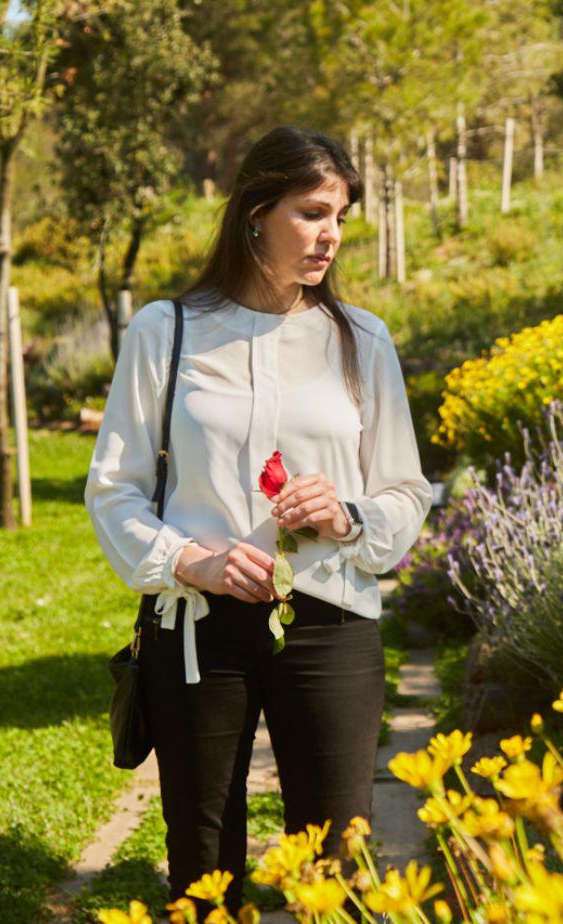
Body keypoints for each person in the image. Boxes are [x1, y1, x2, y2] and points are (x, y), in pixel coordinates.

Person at [84, 126, 432, 915]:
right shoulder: (164, 333)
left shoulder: (362, 339)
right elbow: (114, 490)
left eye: (339, 216)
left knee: (337, 867)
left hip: (333, 623)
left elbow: (407, 492)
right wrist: (189, 561)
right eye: (312, 213)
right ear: (255, 213)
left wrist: (348, 515)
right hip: (199, 628)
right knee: (203, 865)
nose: (331, 236)